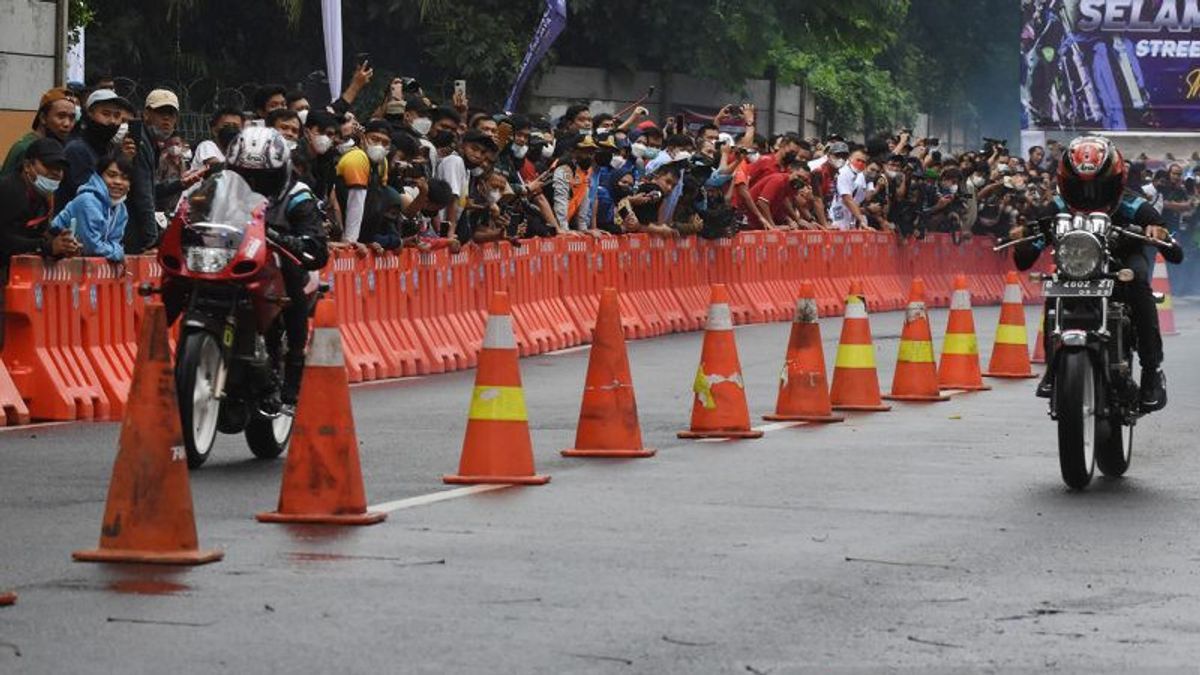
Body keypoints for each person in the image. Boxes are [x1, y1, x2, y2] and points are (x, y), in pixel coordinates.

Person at [1010, 136, 1182, 412]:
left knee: (1139, 284)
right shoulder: (1056, 207)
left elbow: (1173, 248)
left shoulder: (1134, 205)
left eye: (1098, 186)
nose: (1089, 194)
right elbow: (1025, 258)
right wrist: (1022, 240)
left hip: (1122, 262)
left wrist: (1158, 232)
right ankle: (1054, 369)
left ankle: (1151, 372)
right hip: (1075, 264)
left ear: (1115, 181)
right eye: (1080, 186)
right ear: (1067, 182)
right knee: (1055, 287)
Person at [225, 127, 328, 413]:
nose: (253, 183)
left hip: (280, 265)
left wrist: (287, 239)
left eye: (263, 177)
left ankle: (293, 369)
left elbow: (316, 245)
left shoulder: (297, 194)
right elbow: (192, 208)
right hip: (231, 260)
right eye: (244, 176)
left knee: (292, 271)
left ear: (281, 171)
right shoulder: (220, 186)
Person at [0, 139, 80, 344]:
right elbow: (5, 239)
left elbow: (38, 234)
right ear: (28, 166)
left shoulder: (44, 197)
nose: (56, 174)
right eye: (49, 167)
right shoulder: (9, 190)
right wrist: (45, 247)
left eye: (60, 169)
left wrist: (62, 244)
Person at [59, 89, 135, 206]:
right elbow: (92, 196)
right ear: (90, 113)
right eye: (105, 114)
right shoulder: (78, 149)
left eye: (117, 115)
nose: (112, 121)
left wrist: (124, 161)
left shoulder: (109, 148)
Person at [50, 153, 131, 263]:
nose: (118, 182)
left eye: (125, 178)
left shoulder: (121, 209)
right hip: (56, 262)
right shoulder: (87, 200)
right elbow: (91, 246)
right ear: (99, 177)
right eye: (111, 175)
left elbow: (115, 242)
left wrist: (115, 251)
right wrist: (118, 253)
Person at [1, 87, 78, 179]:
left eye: (72, 118)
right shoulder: (25, 148)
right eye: (61, 116)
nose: (67, 123)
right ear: (43, 118)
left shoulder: (60, 146)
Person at [190, 107, 245, 171]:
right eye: (226, 126)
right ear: (214, 130)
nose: (231, 129)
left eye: (236, 126)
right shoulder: (207, 146)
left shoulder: (239, 152)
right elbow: (215, 167)